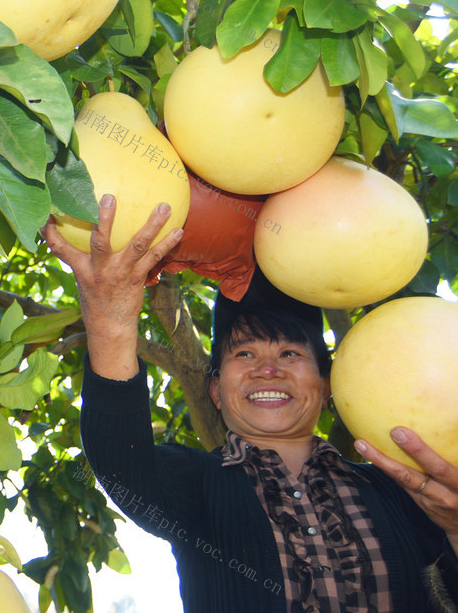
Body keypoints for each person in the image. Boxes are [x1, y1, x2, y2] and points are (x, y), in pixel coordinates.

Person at [42, 195, 458, 612]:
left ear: (329, 385)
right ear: (216, 392)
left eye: (291, 354)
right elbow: (120, 459)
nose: (268, 370)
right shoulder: (195, 483)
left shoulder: (403, 485)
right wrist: (110, 318)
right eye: (244, 355)